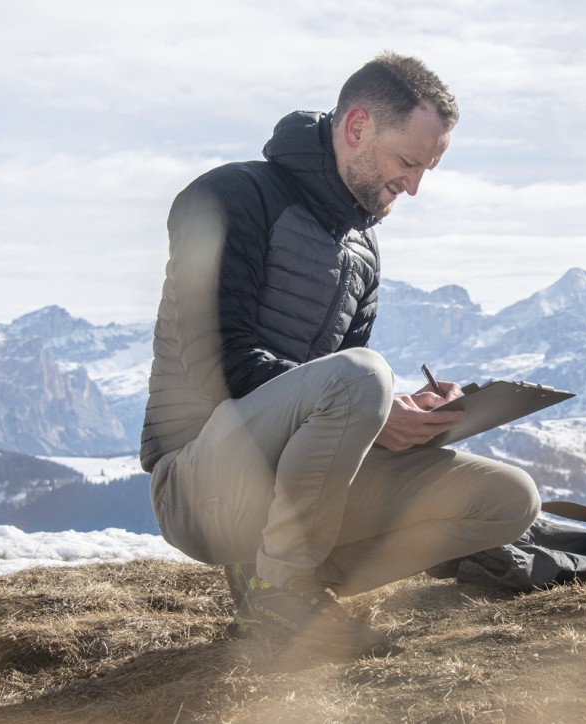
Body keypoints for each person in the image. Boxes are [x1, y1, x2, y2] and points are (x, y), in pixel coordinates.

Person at [140, 52, 541, 658]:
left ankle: (273, 579)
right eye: (408, 162)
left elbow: (335, 400)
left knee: (510, 498)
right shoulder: (228, 197)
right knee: (362, 376)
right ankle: (283, 598)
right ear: (356, 128)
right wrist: (372, 398)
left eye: (426, 169)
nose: (414, 185)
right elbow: (219, 362)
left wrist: (405, 414)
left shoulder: (362, 251)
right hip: (202, 484)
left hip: (292, 491)